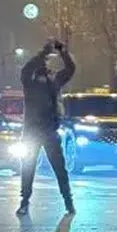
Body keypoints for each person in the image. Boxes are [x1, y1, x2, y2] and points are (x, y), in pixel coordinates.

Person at [18, 39, 76, 217]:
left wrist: (62, 52)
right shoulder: (31, 80)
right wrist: (45, 54)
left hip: (46, 129)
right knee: (29, 166)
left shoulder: (53, 80)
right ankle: (25, 201)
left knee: (58, 167)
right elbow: (27, 70)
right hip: (34, 130)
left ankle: (68, 201)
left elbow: (70, 70)